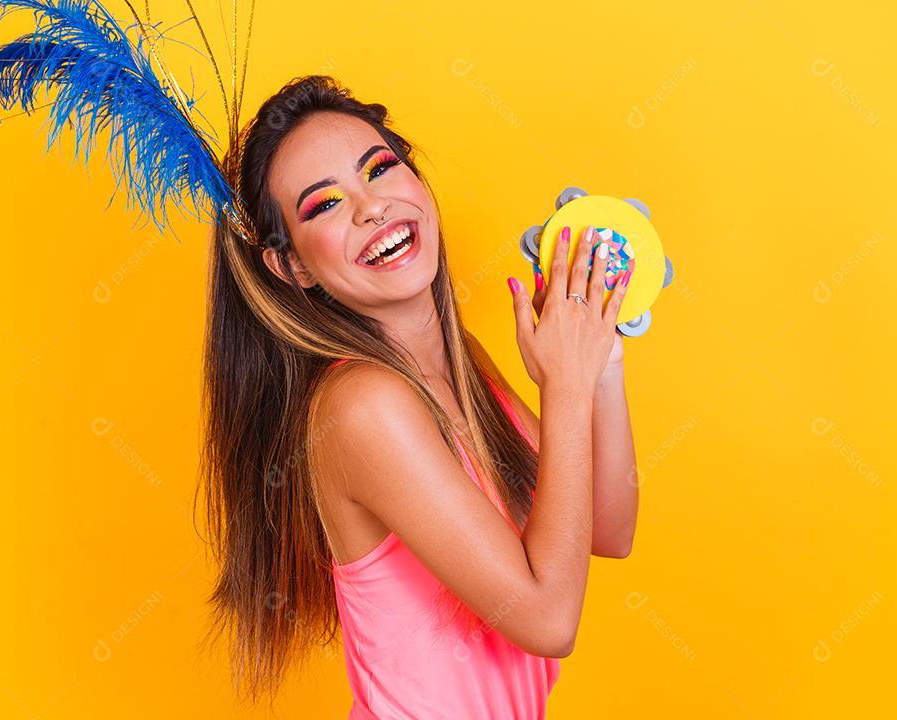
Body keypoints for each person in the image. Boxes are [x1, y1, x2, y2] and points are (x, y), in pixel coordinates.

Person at [197, 75, 639, 718]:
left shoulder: (464, 367)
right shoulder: (361, 405)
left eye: (378, 168)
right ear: (291, 267)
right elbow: (547, 619)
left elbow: (607, 527)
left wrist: (597, 355)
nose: (371, 206)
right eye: (323, 205)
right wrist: (564, 388)